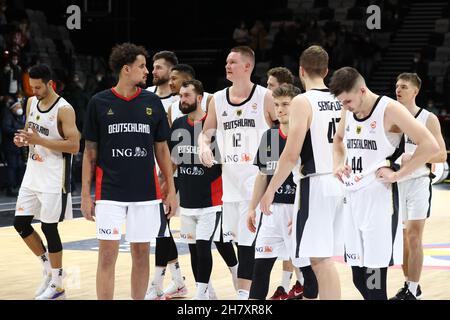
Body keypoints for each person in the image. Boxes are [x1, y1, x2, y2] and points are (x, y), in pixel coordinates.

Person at [330, 66, 439, 300]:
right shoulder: (347, 109)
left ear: (362, 90)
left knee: (374, 280)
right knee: (358, 278)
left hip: (380, 200)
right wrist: (338, 163)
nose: (346, 107)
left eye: (348, 101)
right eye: (342, 103)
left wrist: (399, 174)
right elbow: (338, 140)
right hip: (353, 198)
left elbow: (430, 145)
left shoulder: (390, 109)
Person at [81, 43, 177, 300]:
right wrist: (85, 194)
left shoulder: (152, 101)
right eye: (142, 66)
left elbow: (163, 150)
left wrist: (171, 189)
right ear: (126, 69)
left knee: (141, 254)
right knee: (107, 256)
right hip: (109, 190)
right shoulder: (99, 102)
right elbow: (90, 152)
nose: (147, 71)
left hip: (146, 192)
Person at [259, 45, 344, 300]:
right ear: (327, 70)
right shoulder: (339, 100)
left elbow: (291, 153)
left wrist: (270, 190)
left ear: (301, 70)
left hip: (315, 184)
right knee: (324, 260)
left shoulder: (302, 101)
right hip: (338, 182)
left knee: (319, 261)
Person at [200, 46, 276, 299]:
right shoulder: (217, 99)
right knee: (233, 242)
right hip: (229, 184)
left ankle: (245, 297)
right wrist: (204, 147)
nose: (227, 66)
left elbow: (279, 133)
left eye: (232, 62)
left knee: (248, 245)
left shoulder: (265, 97)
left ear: (248, 67)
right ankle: (248, 292)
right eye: (226, 61)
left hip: (256, 183)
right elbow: (206, 131)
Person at [12, 64, 80, 299]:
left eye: (38, 87)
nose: (35, 91)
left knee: (49, 228)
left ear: (50, 84)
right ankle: (47, 269)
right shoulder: (31, 102)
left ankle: (59, 285)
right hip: (33, 174)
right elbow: (30, 132)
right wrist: (23, 139)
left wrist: (40, 140)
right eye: (32, 87)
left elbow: (74, 145)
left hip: (54, 178)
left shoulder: (64, 109)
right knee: (20, 223)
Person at [247, 84, 318, 300]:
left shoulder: (309, 137)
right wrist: (252, 208)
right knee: (259, 269)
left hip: (295, 210)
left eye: (285, 104)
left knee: (307, 270)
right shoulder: (269, 136)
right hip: (270, 213)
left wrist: (304, 211)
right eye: (276, 105)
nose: (280, 109)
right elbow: (262, 175)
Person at [390, 73, 447, 300]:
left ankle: (413, 290)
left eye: (403, 86)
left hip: (419, 182)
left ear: (415, 91)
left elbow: (441, 154)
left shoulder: (428, 118)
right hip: (396, 182)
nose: (398, 89)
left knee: (414, 236)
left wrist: (414, 156)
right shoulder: (390, 117)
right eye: (396, 86)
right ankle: (410, 286)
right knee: (403, 238)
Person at [145, 63, 195, 300]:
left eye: (175, 78)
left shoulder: (202, 104)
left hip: (192, 178)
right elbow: (168, 147)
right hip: (169, 173)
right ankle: (172, 281)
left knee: (202, 240)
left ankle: (168, 282)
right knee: (162, 229)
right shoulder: (169, 106)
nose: (171, 82)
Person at [169, 79, 223, 299]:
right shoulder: (178, 124)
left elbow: (222, 163)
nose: (182, 100)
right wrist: (167, 186)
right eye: (181, 96)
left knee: (202, 246)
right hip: (187, 199)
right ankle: (208, 291)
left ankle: (201, 294)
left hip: (211, 199)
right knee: (192, 248)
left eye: (187, 96)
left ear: (199, 98)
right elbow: (173, 160)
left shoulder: (212, 127)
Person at [264, 66, 304, 299]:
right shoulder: (271, 128)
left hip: (297, 198)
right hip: (278, 198)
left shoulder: (302, 127)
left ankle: (296, 283)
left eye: (271, 86)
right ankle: (290, 283)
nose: (268, 91)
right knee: (286, 249)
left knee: (298, 251)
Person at [1, 98, 26, 196]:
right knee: (12, 167)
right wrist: (18, 132)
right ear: (13, 108)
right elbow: (6, 128)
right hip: (10, 146)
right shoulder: (8, 116)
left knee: (19, 166)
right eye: (18, 106)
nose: (20, 108)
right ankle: (10, 189)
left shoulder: (18, 117)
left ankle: (17, 186)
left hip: (18, 146)